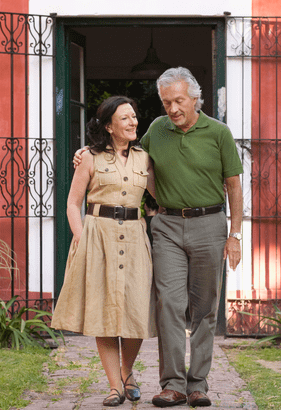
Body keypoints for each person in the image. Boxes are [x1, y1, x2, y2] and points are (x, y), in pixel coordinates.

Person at [73, 67, 244, 408]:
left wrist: (235, 234)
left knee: (205, 308)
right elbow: (128, 157)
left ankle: (198, 384)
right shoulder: (156, 130)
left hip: (210, 224)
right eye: (166, 102)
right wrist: (85, 154)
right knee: (168, 303)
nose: (172, 109)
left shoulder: (219, 133)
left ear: (195, 98)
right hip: (165, 225)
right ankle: (173, 384)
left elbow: (235, 187)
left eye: (178, 101)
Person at [51, 96, 157, 407]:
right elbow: (72, 203)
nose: (133, 122)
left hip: (136, 238)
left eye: (134, 116)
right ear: (109, 126)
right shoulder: (89, 158)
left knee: (136, 309)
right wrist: (82, 237)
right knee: (104, 312)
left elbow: (160, 196)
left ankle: (126, 373)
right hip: (98, 236)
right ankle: (115, 387)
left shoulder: (145, 158)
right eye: (125, 118)